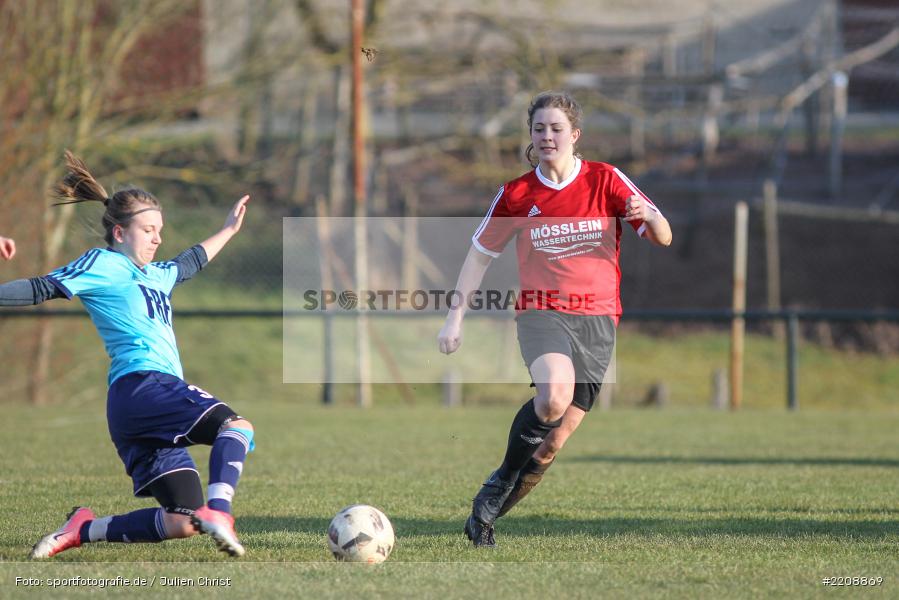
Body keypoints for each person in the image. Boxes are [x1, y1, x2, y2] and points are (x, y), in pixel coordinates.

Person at [438, 91, 672, 547]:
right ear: (530, 135)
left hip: (599, 322)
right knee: (553, 398)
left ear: (574, 135)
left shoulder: (606, 180)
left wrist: (650, 216)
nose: (547, 136)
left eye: (556, 128)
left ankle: (482, 519)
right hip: (541, 313)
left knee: (552, 443)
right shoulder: (517, 194)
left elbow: (661, 236)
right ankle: (499, 482)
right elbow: (479, 256)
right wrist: (455, 317)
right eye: (539, 128)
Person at [0, 151, 254, 558]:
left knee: (183, 520)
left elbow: (189, 262)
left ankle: (82, 529)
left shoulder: (156, 274)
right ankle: (221, 510)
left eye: (160, 230)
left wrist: (228, 229)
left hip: (140, 407)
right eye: (148, 229)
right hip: (144, 386)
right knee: (237, 428)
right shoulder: (104, 263)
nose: (157, 238)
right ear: (119, 233)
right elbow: (41, 288)